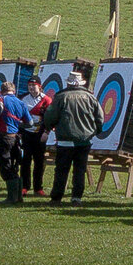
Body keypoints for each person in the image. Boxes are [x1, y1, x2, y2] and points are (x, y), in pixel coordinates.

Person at [42, 70, 102, 205]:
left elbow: (50, 116)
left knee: (62, 170)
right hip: (84, 140)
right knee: (80, 170)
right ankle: (76, 198)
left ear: (68, 83)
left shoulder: (61, 97)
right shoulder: (90, 97)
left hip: (65, 140)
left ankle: (56, 198)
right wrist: (95, 131)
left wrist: (48, 127)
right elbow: (100, 117)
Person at [0, 80, 32, 203]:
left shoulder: (0, 101)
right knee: (14, 165)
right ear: (14, 91)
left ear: (1, 91)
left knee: (5, 165)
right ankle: (19, 196)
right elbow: (30, 123)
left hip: (3, 137)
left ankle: (11, 198)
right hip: (15, 138)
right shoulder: (21, 103)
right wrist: (18, 125)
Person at [18, 79, 53, 197]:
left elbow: (49, 118)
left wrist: (46, 132)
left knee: (39, 161)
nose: (32, 88)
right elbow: (18, 116)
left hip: (39, 135)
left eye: (34, 85)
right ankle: (24, 186)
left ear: (40, 87)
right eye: (30, 86)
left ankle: (38, 188)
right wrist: (19, 132)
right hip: (26, 134)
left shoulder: (46, 100)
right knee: (25, 161)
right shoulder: (23, 98)